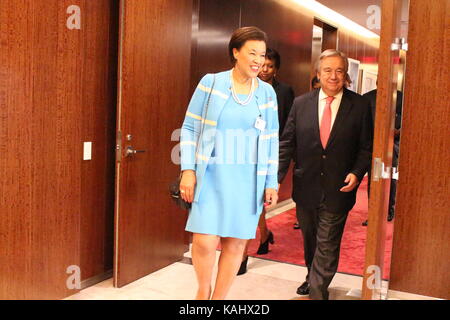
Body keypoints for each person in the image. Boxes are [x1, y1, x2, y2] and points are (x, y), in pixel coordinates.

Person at [179, 26, 279, 300]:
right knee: (204, 241)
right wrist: (188, 170)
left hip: (248, 179)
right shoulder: (211, 83)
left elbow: (271, 139)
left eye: (262, 54)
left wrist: (272, 182)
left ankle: (218, 299)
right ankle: (203, 290)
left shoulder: (267, 94)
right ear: (235, 53)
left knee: (236, 244)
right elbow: (189, 128)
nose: (258, 60)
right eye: (252, 53)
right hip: (211, 174)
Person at [278, 49, 373, 300]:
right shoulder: (301, 104)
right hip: (306, 185)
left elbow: (366, 146)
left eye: (339, 71)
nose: (333, 76)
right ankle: (312, 276)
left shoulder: (360, 105)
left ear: (346, 76)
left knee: (328, 242)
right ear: (318, 74)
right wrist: (274, 180)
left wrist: (356, 172)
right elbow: (287, 143)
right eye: (328, 70)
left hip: (339, 187)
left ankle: (318, 293)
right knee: (311, 239)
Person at [236, 48, 294, 275]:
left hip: (268, 153)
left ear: (276, 69)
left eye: (270, 66)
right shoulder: (244, 87)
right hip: (245, 152)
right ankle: (264, 233)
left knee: (252, 202)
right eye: (262, 65)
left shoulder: (284, 91)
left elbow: (288, 125)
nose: (265, 70)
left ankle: (243, 254)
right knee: (251, 201)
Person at [361, 87, 403, 226]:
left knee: (390, 178)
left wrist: (397, 132)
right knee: (374, 179)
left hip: (393, 148)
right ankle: (373, 213)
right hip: (373, 147)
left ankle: (389, 210)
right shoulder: (367, 97)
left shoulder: (402, 97)